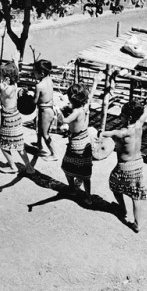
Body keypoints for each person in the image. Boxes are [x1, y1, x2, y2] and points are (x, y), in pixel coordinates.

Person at [101, 84, 147, 233]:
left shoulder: (123, 132)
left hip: (125, 167)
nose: (119, 116)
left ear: (128, 117)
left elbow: (106, 134)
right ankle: (137, 224)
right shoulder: (139, 123)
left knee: (114, 184)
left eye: (122, 115)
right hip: (138, 165)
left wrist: (100, 133)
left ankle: (122, 209)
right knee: (136, 195)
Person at [59, 74, 100, 205]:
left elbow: (64, 120)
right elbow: (91, 94)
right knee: (85, 172)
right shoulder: (85, 106)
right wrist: (95, 82)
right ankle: (88, 197)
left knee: (67, 166)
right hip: (85, 140)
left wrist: (58, 114)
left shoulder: (76, 112)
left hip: (76, 143)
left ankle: (72, 188)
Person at [0, 61, 35, 175]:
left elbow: (4, 89)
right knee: (19, 145)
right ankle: (29, 167)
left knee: (3, 144)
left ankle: (13, 166)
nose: (0, 77)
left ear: (7, 78)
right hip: (16, 117)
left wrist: (3, 85)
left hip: (8, 118)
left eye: (2, 75)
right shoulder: (15, 85)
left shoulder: (6, 89)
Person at [32, 59, 58, 161]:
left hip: (45, 111)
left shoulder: (39, 86)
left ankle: (54, 154)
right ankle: (39, 144)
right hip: (48, 108)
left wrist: (28, 97)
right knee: (39, 126)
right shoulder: (49, 80)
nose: (33, 73)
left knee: (45, 133)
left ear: (41, 73)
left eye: (34, 71)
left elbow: (35, 101)